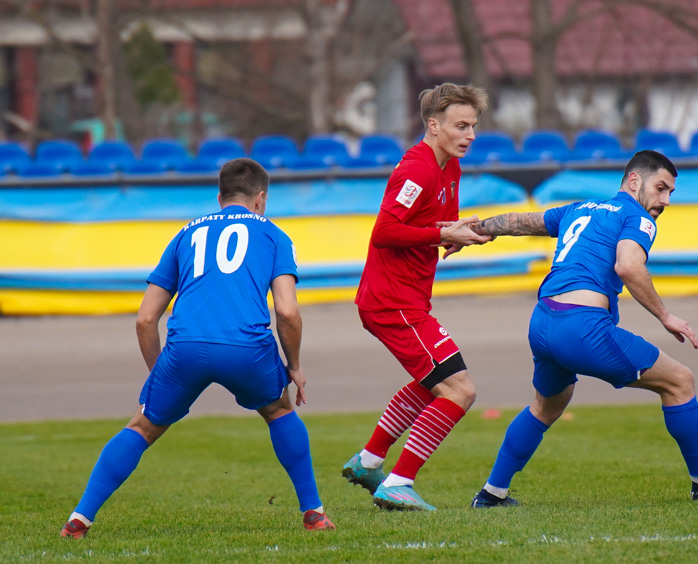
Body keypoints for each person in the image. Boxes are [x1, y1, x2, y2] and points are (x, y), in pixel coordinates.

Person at [60, 158, 335, 538]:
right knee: (279, 410)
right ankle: (314, 514)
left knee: (142, 427)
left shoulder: (185, 234)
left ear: (219, 197)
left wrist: (161, 371)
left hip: (185, 347)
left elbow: (144, 319)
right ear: (261, 198)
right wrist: (296, 366)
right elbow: (287, 312)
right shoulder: (274, 235)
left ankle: (79, 518)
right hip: (247, 347)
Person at [467, 150, 698, 508]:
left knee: (546, 406)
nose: (665, 200)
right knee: (680, 380)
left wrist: (476, 229)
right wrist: (665, 316)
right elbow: (628, 266)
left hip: (543, 322)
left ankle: (492, 493)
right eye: (661, 188)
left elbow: (521, 221)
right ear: (634, 181)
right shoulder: (637, 217)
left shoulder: (581, 208)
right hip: (582, 328)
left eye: (670, 193)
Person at [341, 83, 493, 511]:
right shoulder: (419, 169)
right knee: (460, 390)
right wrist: (444, 231)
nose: (470, 135)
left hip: (407, 300)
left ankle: (369, 460)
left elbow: (433, 223)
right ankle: (398, 482)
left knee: (433, 384)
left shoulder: (450, 167)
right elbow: (385, 233)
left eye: (473, 126)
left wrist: (456, 232)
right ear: (433, 125)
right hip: (393, 302)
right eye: (461, 126)